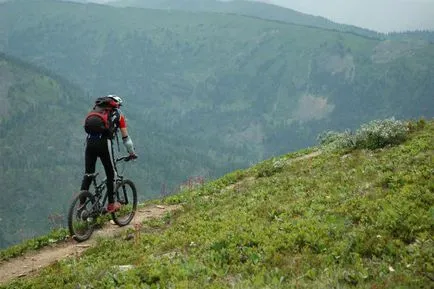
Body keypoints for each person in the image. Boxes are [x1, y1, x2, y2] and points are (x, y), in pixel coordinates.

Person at [80, 94, 137, 213]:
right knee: (111, 174)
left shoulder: (96, 110)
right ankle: (111, 204)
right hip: (104, 143)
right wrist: (131, 153)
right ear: (116, 105)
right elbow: (126, 139)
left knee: (88, 174)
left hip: (90, 142)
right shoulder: (118, 115)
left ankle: (81, 205)